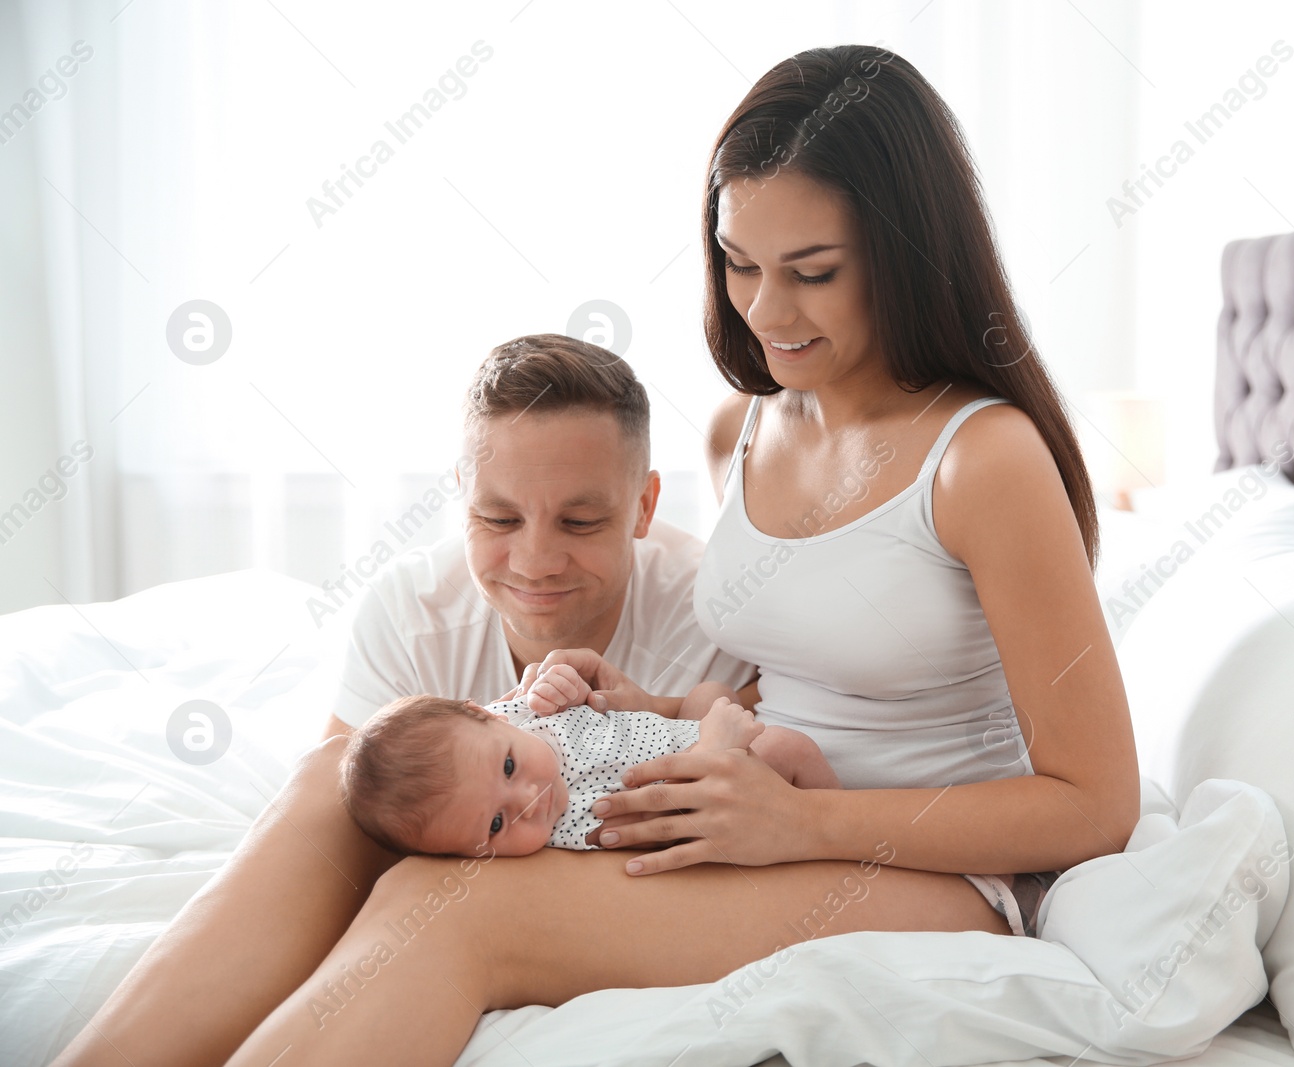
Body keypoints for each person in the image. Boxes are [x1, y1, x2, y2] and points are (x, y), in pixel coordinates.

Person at [52, 44, 1139, 1067]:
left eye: (810, 270)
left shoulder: (982, 458)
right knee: (344, 795)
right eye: (738, 262)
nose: (763, 310)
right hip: (752, 798)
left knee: (465, 910)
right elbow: (813, 659)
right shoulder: (749, 426)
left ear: (906, 254)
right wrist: (661, 704)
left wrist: (799, 819)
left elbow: (1095, 801)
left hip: (933, 871)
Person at [339, 678, 839, 857]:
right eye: (496, 824)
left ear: (485, 712)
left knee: (709, 691)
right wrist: (714, 750)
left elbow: (589, 705)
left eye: (510, 767)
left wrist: (564, 686)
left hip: (678, 730)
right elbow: (668, 817)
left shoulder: (519, 712)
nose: (529, 801)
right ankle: (841, 831)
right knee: (788, 748)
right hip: (709, 772)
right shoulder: (577, 825)